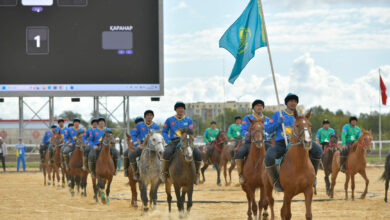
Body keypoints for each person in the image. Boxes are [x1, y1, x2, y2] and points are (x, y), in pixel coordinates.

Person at [265, 93, 323, 192]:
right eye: (291, 101)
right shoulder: (278, 114)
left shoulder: (300, 116)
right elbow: (268, 130)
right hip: (281, 143)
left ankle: (313, 176)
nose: (293, 103)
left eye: (295, 101)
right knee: (269, 156)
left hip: (299, 143)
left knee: (318, 150)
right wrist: (277, 122)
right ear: (286, 102)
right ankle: (276, 181)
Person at [160, 102, 202, 184]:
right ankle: (164, 173)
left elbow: (190, 132)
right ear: (176, 110)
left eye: (182, 108)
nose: (180, 109)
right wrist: (167, 140)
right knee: (167, 153)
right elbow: (164, 131)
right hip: (174, 141)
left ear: (184, 110)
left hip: (186, 142)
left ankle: (197, 174)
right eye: (178, 108)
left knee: (198, 153)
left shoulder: (189, 120)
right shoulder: (169, 120)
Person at [235, 99, 272, 184]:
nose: (259, 107)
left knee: (274, 153)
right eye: (257, 106)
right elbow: (243, 130)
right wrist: (248, 135)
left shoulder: (268, 119)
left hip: (264, 142)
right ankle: (241, 175)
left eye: (261, 106)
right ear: (253, 108)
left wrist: (268, 134)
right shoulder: (247, 118)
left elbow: (271, 130)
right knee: (239, 153)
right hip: (250, 142)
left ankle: (274, 176)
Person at [128, 111, 160, 180]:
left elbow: (158, 136)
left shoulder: (156, 126)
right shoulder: (139, 125)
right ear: (145, 117)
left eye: (151, 115)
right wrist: (137, 144)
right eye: (147, 115)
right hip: (143, 146)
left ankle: (161, 173)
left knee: (163, 154)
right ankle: (136, 172)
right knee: (131, 155)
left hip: (153, 147)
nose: (149, 116)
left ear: (152, 116)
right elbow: (133, 135)